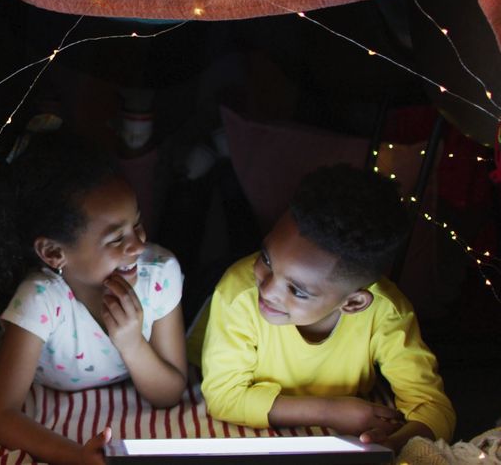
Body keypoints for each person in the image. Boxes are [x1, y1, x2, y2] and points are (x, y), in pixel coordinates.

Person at [0, 125, 187, 465]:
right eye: (115, 239)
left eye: (136, 224)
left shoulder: (159, 275)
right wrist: (75, 454)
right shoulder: (42, 300)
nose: (137, 245)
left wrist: (132, 344)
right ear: (53, 253)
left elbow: (170, 393)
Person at [192, 164, 455, 451]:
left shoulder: (387, 312)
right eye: (267, 259)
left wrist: (394, 443)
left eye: (297, 290)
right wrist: (330, 411)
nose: (266, 290)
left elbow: (431, 405)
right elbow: (224, 398)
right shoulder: (238, 295)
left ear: (353, 303)